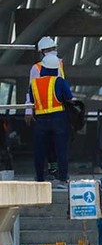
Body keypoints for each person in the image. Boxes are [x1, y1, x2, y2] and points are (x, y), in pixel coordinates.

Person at [28, 54, 73, 186]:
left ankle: (40, 178)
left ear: (43, 68)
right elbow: (69, 98)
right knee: (61, 150)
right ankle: (62, 179)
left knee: (40, 151)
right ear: (55, 69)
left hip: (41, 121)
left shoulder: (34, 83)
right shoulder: (59, 81)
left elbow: (31, 99)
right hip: (59, 119)